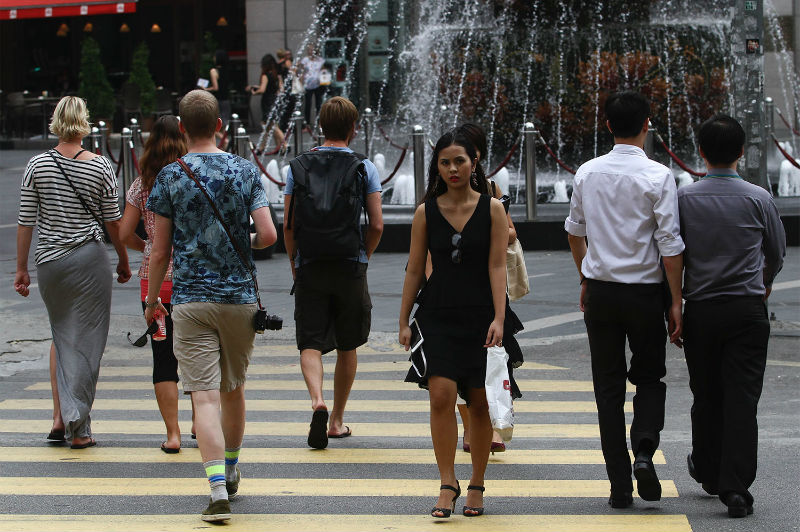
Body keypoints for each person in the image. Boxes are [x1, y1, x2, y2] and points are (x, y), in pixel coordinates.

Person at [143, 90, 277, 522]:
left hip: (189, 301)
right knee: (233, 388)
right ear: (220, 125)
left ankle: (216, 488)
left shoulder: (169, 176)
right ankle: (233, 466)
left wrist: (151, 301)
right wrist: (244, 242)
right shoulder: (243, 171)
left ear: (182, 129)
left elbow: (159, 252)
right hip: (239, 299)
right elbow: (269, 235)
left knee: (202, 397)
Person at [564, 91, 684, 509]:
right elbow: (670, 244)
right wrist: (675, 300)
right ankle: (646, 451)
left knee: (608, 389)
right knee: (649, 378)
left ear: (608, 125)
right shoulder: (658, 176)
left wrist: (585, 275)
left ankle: (619, 485)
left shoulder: (587, 173)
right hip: (646, 293)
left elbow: (575, 231)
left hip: (601, 292)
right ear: (647, 125)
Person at [678, 114, 785, 518]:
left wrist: (675, 302)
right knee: (742, 398)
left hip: (701, 310)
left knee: (706, 394)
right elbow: (775, 252)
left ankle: (706, 468)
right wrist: (764, 282)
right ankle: (736, 488)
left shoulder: (685, 198)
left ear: (700, 153)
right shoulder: (760, 198)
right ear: (742, 152)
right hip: (747, 310)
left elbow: (674, 253)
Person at [400, 129, 509, 518]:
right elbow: (414, 269)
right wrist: (403, 321)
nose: (452, 169)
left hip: (482, 315)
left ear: (474, 161)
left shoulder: (493, 208)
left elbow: (498, 266)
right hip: (438, 315)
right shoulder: (425, 211)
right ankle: (448, 481)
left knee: (479, 403)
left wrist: (499, 318)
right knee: (440, 396)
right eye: (445, 162)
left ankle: (477, 482)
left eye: (459, 161)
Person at [14, 95, 132, 449]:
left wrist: (22, 269)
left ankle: (58, 417)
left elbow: (25, 222)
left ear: (55, 121)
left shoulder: (37, 165)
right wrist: (124, 260)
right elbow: (113, 222)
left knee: (62, 334)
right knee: (88, 342)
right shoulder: (100, 166)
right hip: (89, 260)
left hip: (49, 263)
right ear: (84, 123)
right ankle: (79, 427)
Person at [283, 96, 384, 450]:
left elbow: (289, 225)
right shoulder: (364, 167)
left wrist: (295, 262)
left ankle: (317, 401)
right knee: (348, 342)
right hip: (349, 263)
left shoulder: (296, 167)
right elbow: (376, 225)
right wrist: (363, 256)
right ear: (354, 127)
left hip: (310, 262)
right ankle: (337, 420)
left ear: (318, 127)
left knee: (310, 340)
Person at [119, 114, 195, 453]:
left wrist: (148, 246)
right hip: (195, 281)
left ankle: (173, 435)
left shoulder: (141, 184)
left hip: (155, 286)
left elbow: (123, 233)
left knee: (163, 358)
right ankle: (200, 424)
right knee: (198, 356)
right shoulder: (192, 178)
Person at [452, 123, 524, 454]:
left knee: (496, 360)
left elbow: (510, 232)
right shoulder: (442, 191)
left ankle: (495, 427)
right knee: (459, 364)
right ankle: (469, 429)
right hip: (454, 288)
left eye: (471, 153)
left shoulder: (492, 189)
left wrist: (489, 229)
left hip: (489, 287)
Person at [248, 53, 285, 152]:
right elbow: (281, 88)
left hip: (267, 101)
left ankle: (285, 144)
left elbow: (262, 89)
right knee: (270, 125)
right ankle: (269, 147)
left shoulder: (265, 75)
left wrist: (254, 92)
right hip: (275, 100)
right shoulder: (276, 74)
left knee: (268, 124)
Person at [297, 44, 326, 128]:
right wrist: (301, 83)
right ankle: (307, 124)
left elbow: (323, 71)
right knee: (308, 104)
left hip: (318, 84)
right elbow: (302, 72)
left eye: (312, 50)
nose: (310, 51)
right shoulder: (305, 60)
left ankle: (319, 122)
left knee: (318, 104)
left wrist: (323, 79)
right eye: (309, 50)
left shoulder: (320, 60)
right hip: (307, 85)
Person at [205, 50, 231, 143]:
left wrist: (206, 89)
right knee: (223, 126)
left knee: (213, 127)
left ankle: (226, 141)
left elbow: (216, 87)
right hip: (226, 100)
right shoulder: (227, 70)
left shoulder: (214, 71)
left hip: (217, 100)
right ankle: (224, 151)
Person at [276, 48, 299, 137]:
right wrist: (296, 66)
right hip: (289, 88)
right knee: (290, 107)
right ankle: (289, 126)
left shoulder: (278, 64)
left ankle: (284, 126)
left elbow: (279, 78)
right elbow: (293, 72)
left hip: (285, 88)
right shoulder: (286, 62)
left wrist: (281, 88)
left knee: (285, 108)